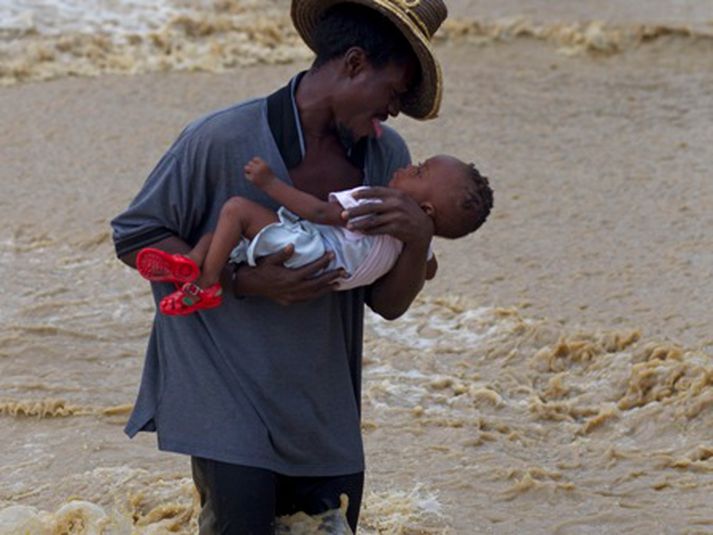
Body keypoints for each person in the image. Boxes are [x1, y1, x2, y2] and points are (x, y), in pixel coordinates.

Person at [111, 0, 453, 532]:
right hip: (226, 396)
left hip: (325, 416)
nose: (394, 112)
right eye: (393, 93)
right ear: (355, 63)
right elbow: (137, 235)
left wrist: (417, 241)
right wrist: (244, 280)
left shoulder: (387, 159)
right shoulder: (219, 139)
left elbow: (386, 305)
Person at [136, 154, 492, 316]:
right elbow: (429, 272)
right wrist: (421, 242)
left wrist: (268, 182)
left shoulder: (377, 202)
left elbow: (321, 212)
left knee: (234, 210)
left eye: (419, 171)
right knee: (220, 236)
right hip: (324, 268)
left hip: (312, 248)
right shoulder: (416, 238)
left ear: (425, 211)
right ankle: (189, 266)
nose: (407, 166)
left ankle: (206, 282)